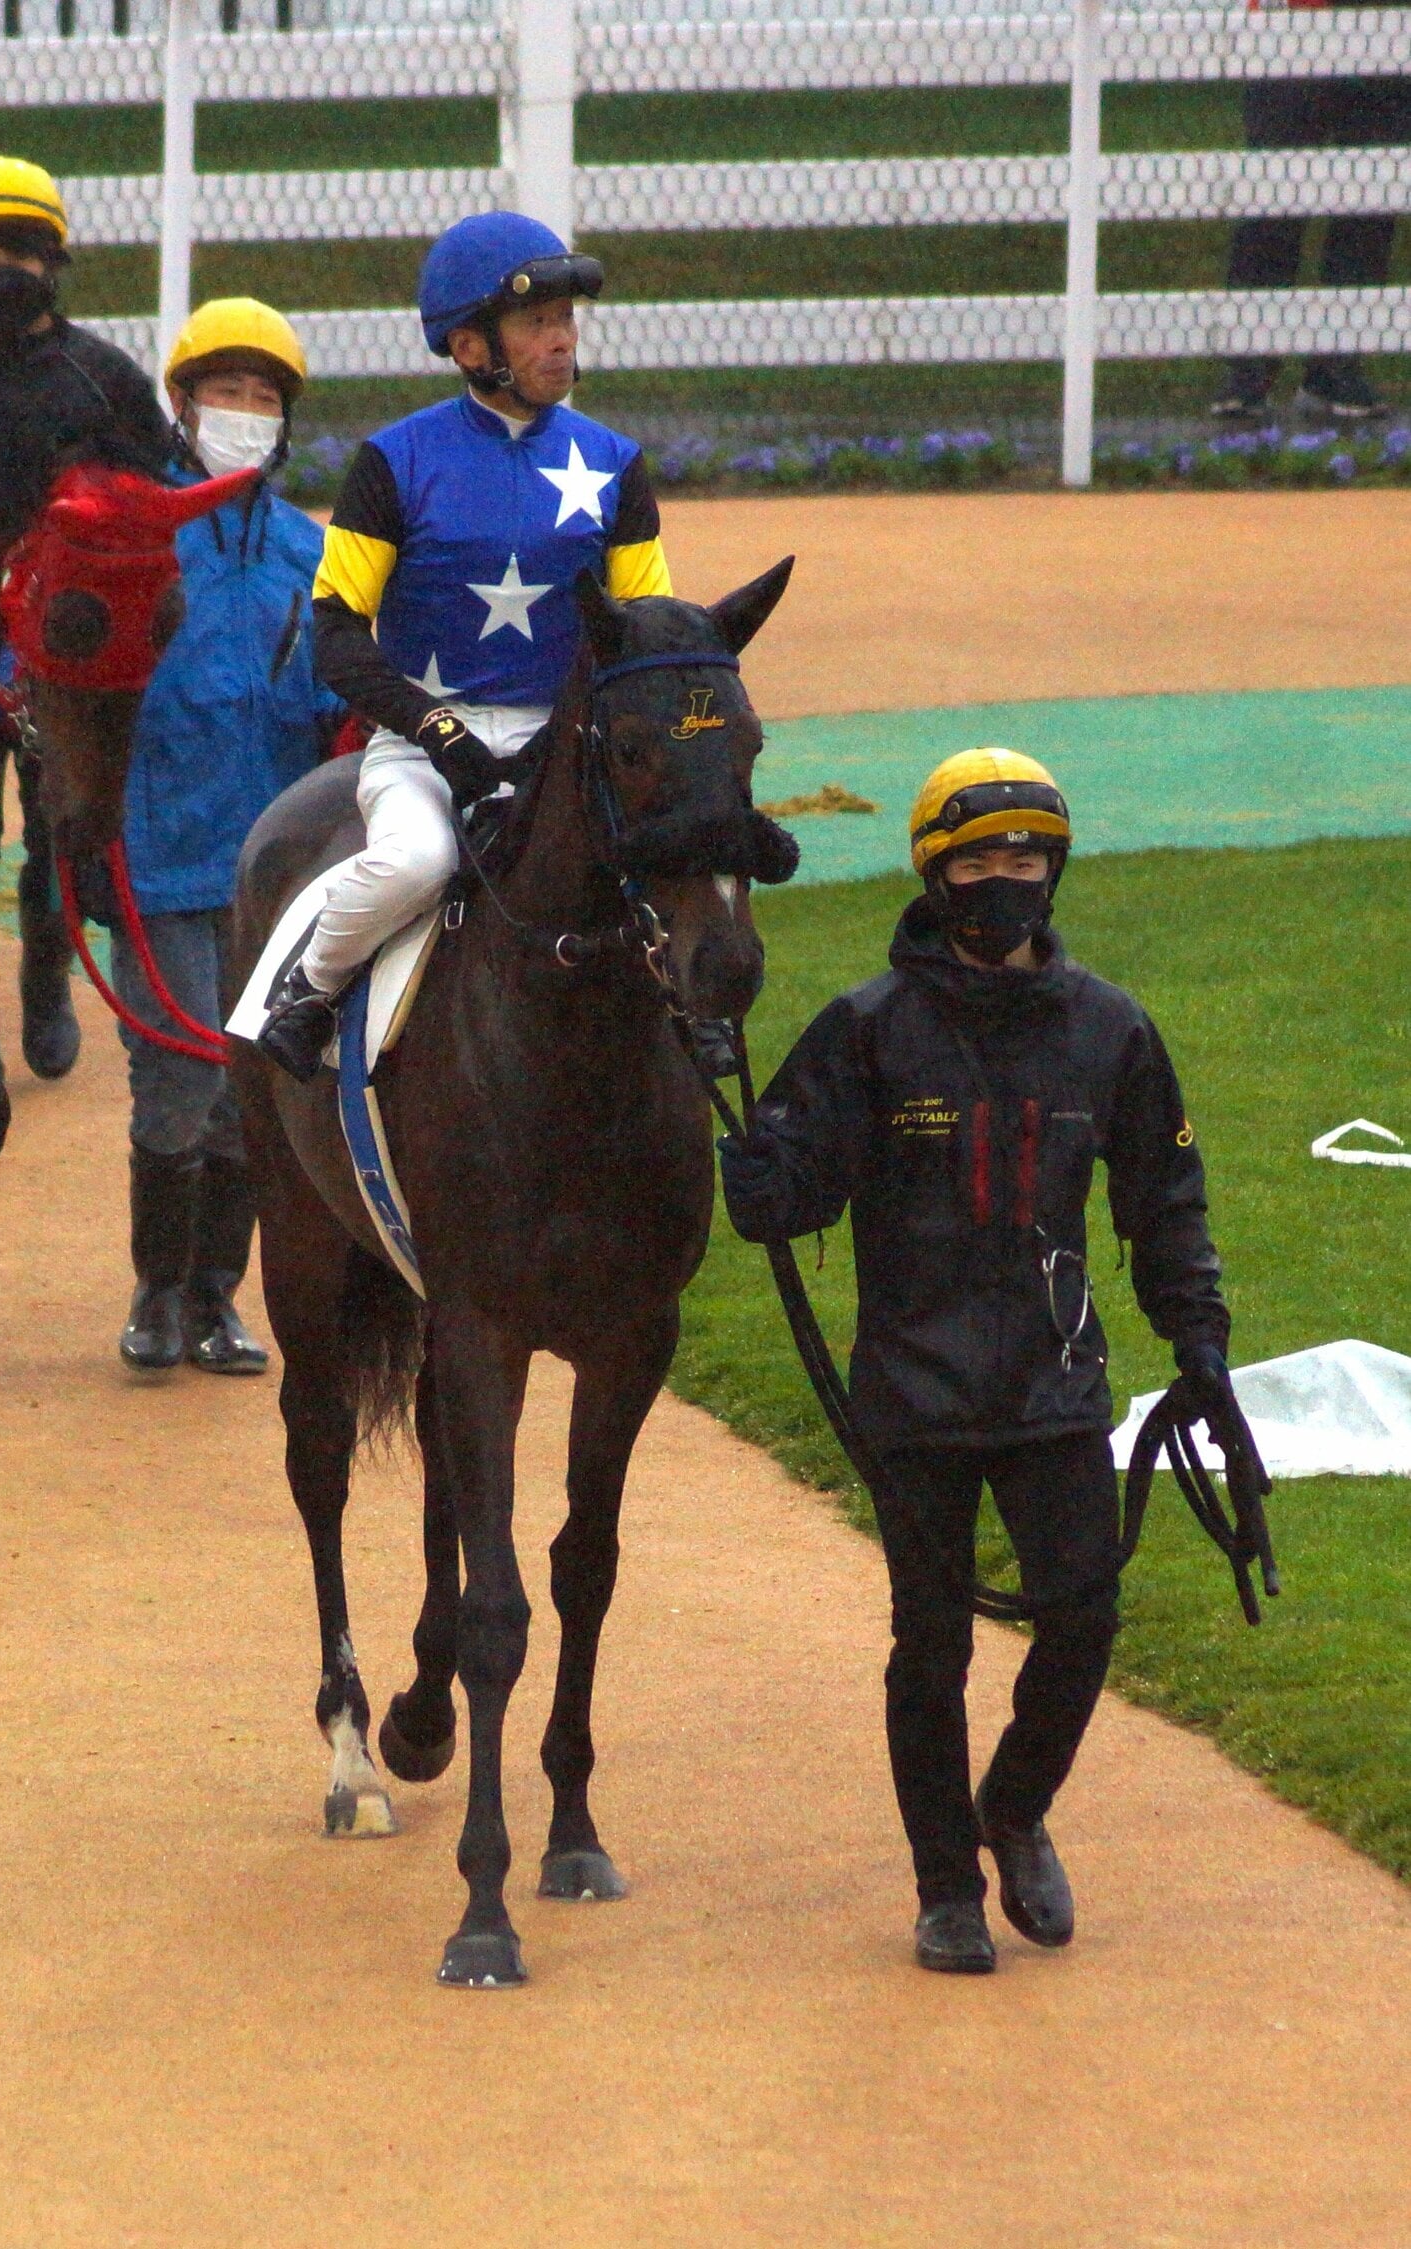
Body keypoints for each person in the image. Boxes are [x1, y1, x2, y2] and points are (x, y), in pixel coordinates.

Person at [718, 750, 1245, 1975]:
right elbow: (794, 1196)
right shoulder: (863, 1030)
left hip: (1053, 1385)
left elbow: (1165, 1199)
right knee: (931, 1643)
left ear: (1053, 870)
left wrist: (1199, 1339)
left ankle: (1014, 1805)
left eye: (1026, 856)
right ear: (934, 871)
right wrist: (765, 1184)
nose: (1004, 877)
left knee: (1084, 1610)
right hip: (914, 1393)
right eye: (979, 858)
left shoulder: (1112, 1030)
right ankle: (945, 1884)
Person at [257, 209, 671, 1082]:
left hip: (571, 745)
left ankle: (695, 1020)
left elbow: (650, 633)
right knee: (418, 859)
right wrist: (435, 728)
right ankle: (310, 988)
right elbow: (334, 633)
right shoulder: (394, 462)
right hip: (420, 745)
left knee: (672, 868)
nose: (560, 342)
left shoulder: (615, 464)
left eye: (565, 320)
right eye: (536, 323)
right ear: (471, 344)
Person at [111, 298, 344, 1375]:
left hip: (280, 875)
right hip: (159, 857)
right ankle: (157, 1288)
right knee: (176, 1086)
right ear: (181, 401)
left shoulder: (316, 552)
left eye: (264, 398)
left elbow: (344, 697)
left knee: (249, 1097)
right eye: (225, 393)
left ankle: (216, 1297)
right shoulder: (131, 535)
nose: (243, 414)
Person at [0, 156, 173, 1082]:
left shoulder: (104, 381)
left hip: (65, 646)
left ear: (55, 258)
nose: (3, 267)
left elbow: (156, 501)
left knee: (65, 814)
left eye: (21, 246)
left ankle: (50, 972)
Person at [1213, 40, 1411, 422]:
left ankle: (1336, 367)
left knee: (1369, 198)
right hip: (1289, 26)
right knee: (1272, 196)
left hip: (1380, 33)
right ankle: (1249, 370)